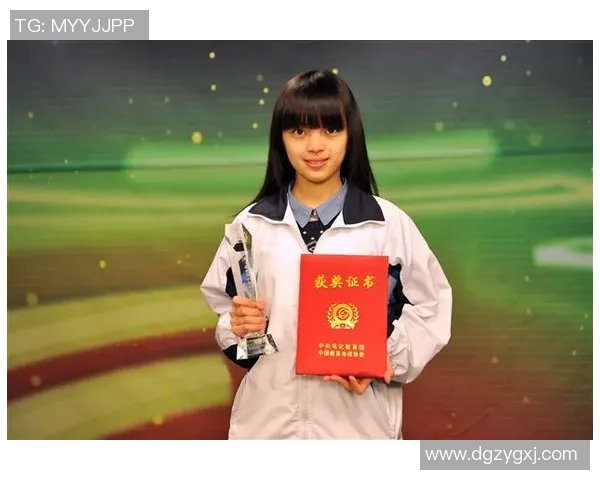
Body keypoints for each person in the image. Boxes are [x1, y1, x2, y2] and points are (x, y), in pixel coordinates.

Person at [200, 69, 452, 440]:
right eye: (299, 131)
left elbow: (431, 307)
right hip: (268, 431)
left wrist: (387, 360)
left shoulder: (387, 225)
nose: (315, 146)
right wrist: (237, 327)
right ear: (281, 138)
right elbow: (227, 315)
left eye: (331, 129)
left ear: (351, 134)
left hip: (358, 432)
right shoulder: (250, 227)